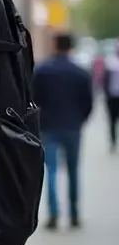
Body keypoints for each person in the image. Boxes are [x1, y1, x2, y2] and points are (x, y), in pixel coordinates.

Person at [33, 33, 94, 229]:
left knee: (51, 170)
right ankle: (74, 214)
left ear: (54, 45)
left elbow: (33, 99)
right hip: (72, 127)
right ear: (71, 47)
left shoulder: (42, 71)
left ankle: (53, 214)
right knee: (73, 171)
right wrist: (79, 120)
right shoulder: (81, 72)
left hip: (48, 126)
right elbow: (88, 103)